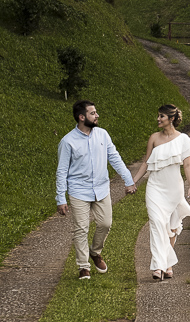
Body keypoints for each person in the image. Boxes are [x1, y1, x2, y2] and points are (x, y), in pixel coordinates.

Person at [56, 100, 137, 280]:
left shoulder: (102, 135)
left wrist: (128, 180)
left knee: (105, 224)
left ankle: (95, 252)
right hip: (78, 191)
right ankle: (83, 267)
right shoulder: (68, 141)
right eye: (93, 113)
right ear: (82, 117)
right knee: (81, 229)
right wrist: (60, 198)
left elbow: (114, 158)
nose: (97, 115)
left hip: (101, 189)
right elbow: (61, 171)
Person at [130, 104, 190, 280]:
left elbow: (188, 165)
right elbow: (146, 162)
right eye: (158, 116)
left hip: (174, 187)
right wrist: (133, 181)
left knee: (171, 227)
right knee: (157, 223)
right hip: (155, 187)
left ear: (171, 119)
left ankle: (167, 264)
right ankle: (158, 267)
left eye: (162, 116)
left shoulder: (183, 140)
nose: (158, 119)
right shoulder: (154, 138)